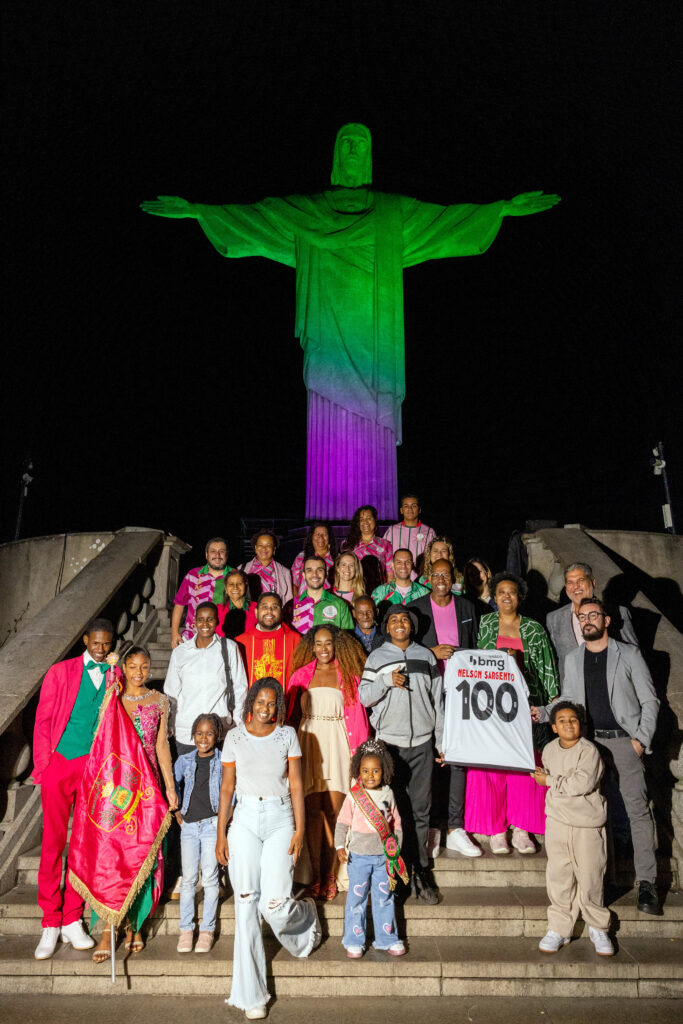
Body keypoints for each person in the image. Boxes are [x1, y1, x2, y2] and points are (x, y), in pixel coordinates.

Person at [142, 124, 559, 521]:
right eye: (346, 143)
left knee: (372, 424)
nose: (354, 151)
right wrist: (199, 212)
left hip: (374, 343)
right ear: (335, 155)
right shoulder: (308, 211)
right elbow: (254, 219)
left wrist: (501, 209)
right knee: (328, 420)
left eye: (361, 143)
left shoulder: (393, 212)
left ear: (371, 155)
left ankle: (370, 524)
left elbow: (447, 221)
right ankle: (326, 528)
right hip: (326, 338)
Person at [544, 597, 660, 915]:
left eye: (594, 615)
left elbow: (650, 701)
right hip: (590, 746)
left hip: (624, 742)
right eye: (582, 616)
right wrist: (541, 711)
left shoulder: (629, 654)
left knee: (637, 811)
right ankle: (604, 880)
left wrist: (640, 739)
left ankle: (647, 883)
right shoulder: (573, 658)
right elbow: (567, 699)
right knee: (598, 814)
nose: (588, 621)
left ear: (606, 620)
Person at [216, 679, 321, 1019]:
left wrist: (301, 830)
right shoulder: (233, 737)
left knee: (274, 904)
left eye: (273, 703)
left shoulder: (287, 736)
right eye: (261, 701)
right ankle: (252, 995)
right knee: (246, 905)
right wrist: (221, 835)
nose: (266, 708)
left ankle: (306, 920)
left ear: (279, 706)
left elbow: (296, 784)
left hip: (280, 820)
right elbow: (227, 789)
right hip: (244, 820)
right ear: (250, 703)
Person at [32, 618, 114, 960]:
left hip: (93, 769)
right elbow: (44, 720)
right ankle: (50, 921)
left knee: (83, 845)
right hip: (60, 763)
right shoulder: (60, 672)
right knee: (52, 843)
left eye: (106, 644)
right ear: (85, 640)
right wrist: (44, 766)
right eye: (95, 643)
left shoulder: (114, 675)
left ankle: (71, 918)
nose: (100, 649)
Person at [91, 645, 178, 961]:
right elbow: (101, 745)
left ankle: (134, 924)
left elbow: (161, 746)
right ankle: (107, 928)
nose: (139, 673)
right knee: (113, 855)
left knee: (146, 857)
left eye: (144, 666)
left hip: (150, 788)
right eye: (133, 666)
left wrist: (169, 787)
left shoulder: (159, 701)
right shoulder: (113, 700)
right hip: (119, 788)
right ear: (124, 668)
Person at [465, 572, 560, 855]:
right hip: (488, 709)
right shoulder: (483, 626)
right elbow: (469, 662)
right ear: (493, 597)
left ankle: (521, 828)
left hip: (525, 710)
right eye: (501, 592)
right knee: (491, 767)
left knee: (524, 766)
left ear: (520, 597)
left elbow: (547, 669)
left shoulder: (534, 629)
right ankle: (495, 830)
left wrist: (548, 707)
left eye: (512, 592)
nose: (506, 596)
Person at [359, 607, 444, 904]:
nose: (399, 623)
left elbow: (439, 700)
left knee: (421, 809)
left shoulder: (426, 656)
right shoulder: (377, 657)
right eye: (394, 620)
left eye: (405, 619)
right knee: (390, 813)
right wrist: (385, 682)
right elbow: (364, 697)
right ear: (386, 626)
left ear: (412, 626)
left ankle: (420, 869)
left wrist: (441, 739)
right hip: (390, 745)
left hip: (422, 742)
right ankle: (394, 872)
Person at [287, 625, 370, 899]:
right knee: (311, 813)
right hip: (308, 742)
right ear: (312, 646)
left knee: (336, 813)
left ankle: (333, 874)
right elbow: (289, 715)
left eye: (328, 644)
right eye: (319, 644)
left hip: (338, 745)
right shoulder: (300, 675)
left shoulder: (348, 676)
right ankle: (314, 875)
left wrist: (358, 756)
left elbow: (359, 719)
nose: (323, 649)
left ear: (336, 647)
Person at [407, 560, 481, 858]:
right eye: (435, 574)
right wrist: (431, 652)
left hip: (460, 692)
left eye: (446, 575)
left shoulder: (466, 608)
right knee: (430, 758)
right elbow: (406, 648)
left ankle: (455, 826)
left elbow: (475, 647)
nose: (440, 579)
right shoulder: (415, 608)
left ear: (454, 578)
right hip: (428, 694)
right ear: (428, 578)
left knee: (457, 759)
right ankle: (432, 828)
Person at [532, 701, 614, 957]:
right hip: (557, 821)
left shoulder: (589, 751)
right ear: (554, 727)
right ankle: (560, 928)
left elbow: (581, 783)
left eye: (574, 720)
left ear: (581, 725)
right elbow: (551, 777)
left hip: (586, 823)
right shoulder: (548, 749)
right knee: (559, 876)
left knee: (590, 874)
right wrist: (544, 776)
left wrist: (549, 781)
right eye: (563, 720)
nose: (569, 724)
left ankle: (598, 927)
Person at [335, 738, 406, 958]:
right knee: (357, 899)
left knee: (384, 897)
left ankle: (387, 938)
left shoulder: (388, 794)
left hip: (383, 858)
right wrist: (339, 846)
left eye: (375, 771)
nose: (370, 775)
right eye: (365, 771)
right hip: (359, 857)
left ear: (383, 770)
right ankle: (354, 939)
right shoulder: (354, 796)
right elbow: (342, 822)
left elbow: (397, 825)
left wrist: (395, 851)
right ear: (358, 771)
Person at [164, 601, 248, 756]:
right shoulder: (180, 652)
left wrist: (237, 724)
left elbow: (240, 688)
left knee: (220, 778)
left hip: (220, 730)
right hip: (186, 731)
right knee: (187, 778)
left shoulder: (229, 648)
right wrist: (170, 725)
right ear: (194, 621)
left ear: (217, 621)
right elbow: (171, 693)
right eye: (201, 619)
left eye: (210, 619)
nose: (205, 623)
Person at [174, 713, 223, 954]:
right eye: (199, 733)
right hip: (190, 827)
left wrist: (224, 821)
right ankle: (186, 929)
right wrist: (176, 809)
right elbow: (173, 784)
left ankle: (207, 929)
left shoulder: (224, 761)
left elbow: (229, 792)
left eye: (209, 733)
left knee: (211, 878)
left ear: (217, 736)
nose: (204, 738)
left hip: (212, 825)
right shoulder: (184, 760)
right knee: (189, 879)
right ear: (193, 735)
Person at [546, 562, 638, 679]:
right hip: (574, 692)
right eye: (570, 582)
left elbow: (633, 653)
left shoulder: (618, 613)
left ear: (593, 582)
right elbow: (555, 660)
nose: (576, 587)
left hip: (612, 687)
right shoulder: (554, 618)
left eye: (581, 580)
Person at [172, 537, 234, 647]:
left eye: (222, 551)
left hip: (222, 638)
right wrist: (174, 633)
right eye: (213, 551)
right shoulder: (193, 575)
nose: (217, 555)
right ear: (206, 555)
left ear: (227, 554)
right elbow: (179, 604)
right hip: (192, 638)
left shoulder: (235, 576)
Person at [235, 592, 301, 689]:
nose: (269, 611)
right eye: (264, 607)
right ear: (256, 612)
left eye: (274, 607)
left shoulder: (295, 640)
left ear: (282, 613)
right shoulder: (240, 642)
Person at [290, 555, 353, 633]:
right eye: (309, 570)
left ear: (326, 574)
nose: (315, 574)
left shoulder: (340, 605)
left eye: (319, 570)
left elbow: (348, 641)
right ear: (303, 575)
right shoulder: (291, 606)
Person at [382, 493, 436, 573]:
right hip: (396, 580)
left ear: (419, 510)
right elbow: (384, 555)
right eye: (406, 506)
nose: (410, 509)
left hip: (420, 580)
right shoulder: (392, 530)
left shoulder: (429, 532)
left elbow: (434, 558)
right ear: (401, 510)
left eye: (413, 506)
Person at [240, 530, 293, 605]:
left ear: (274, 549)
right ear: (255, 547)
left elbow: (288, 601)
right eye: (260, 545)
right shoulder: (241, 569)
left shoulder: (285, 572)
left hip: (272, 614)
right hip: (248, 614)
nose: (264, 548)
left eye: (268, 545)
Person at [371, 548, 429, 616]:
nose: (403, 566)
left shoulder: (424, 592)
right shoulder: (380, 592)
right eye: (399, 562)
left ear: (412, 565)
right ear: (392, 565)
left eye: (407, 562)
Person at [344, 505, 393, 585]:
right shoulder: (347, 544)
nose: (365, 522)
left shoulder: (385, 545)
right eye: (361, 519)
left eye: (369, 518)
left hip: (379, 591)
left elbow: (390, 574)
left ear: (375, 520)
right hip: (354, 589)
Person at [291, 522, 337, 595]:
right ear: (311, 537)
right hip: (304, 603)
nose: (321, 537)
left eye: (324, 534)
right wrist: (297, 602)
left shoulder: (337, 559)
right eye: (317, 534)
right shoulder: (301, 557)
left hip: (329, 603)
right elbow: (293, 583)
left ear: (329, 537)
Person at [216, 569, 258, 640]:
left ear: (245, 585)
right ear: (226, 588)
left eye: (239, 584)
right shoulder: (216, 610)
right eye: (231, 584)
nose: (235, 587)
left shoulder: (257, 608)